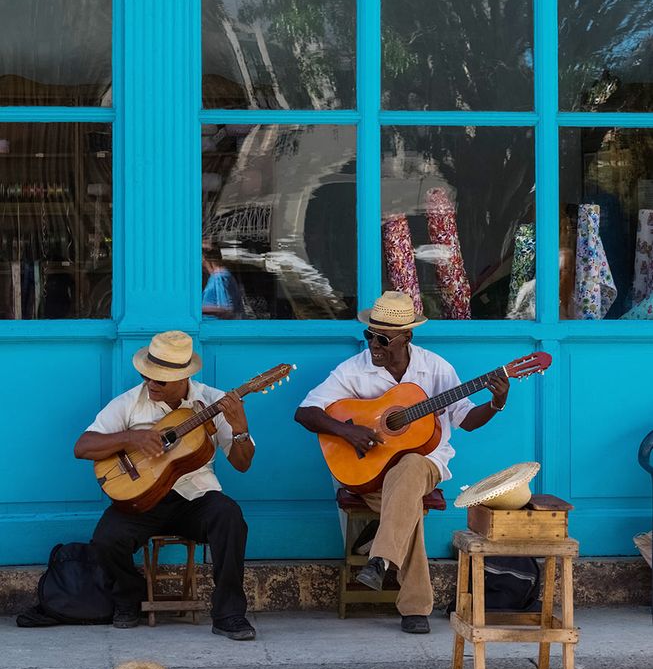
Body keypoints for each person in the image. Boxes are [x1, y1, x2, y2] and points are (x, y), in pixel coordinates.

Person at [295, 291, 510, 635]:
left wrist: (496, 403)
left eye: (382, 338)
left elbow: (467, 419)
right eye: (369, 335)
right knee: (406, 507)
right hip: (370, 475)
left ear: (407, 336)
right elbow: (305, 412)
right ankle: (410, 601)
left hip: (428, 465)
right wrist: (347, 433)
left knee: (411, 463)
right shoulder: (355, 369)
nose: (373, 345)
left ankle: (380, 557)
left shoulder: (436, 368)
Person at [74, 330, 256, 639]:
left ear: (182, 377)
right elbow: (82, 446)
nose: (151, 384)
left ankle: (229, 614)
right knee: (106, 539)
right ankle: (129, 598)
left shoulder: (213, 401)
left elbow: (242, 464)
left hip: (196, 497)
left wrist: (239, 429)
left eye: (160, 380)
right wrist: (132, 437)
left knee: (230, 518)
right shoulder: (131, 402)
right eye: (147, 375)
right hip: (144, 498)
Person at [202, 242, 244, 318]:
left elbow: (226, 309)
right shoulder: (218, 276)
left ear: (204, 258)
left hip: (216, 326)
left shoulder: (219, 277)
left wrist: (196, 309)